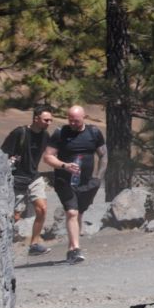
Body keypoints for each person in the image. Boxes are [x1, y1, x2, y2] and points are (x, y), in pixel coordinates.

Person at [42, 105, 107, 264]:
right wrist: (65, 165)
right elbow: (48, 157)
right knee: (71, 212)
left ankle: (71, 249)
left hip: (86, 182)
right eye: (70, 120)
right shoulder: (60, 133)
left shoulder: (94, 132)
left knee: (78, 213)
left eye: (76, 120)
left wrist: (98, 178)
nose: (72, 123)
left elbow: (103, 155)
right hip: (64, 181)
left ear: (84, 117)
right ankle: (77, 249)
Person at [1, 104, 55, 255]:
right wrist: (10, 161)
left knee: (42, 209)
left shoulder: (45, 136)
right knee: (15, 216)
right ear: (36, 118)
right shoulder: (20, 133)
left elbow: (51, 153)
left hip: (33, 177)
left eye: (51, 120)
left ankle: (34, 244)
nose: (49, 123)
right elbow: (3, 154)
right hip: (16, 179)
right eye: (46, 120)